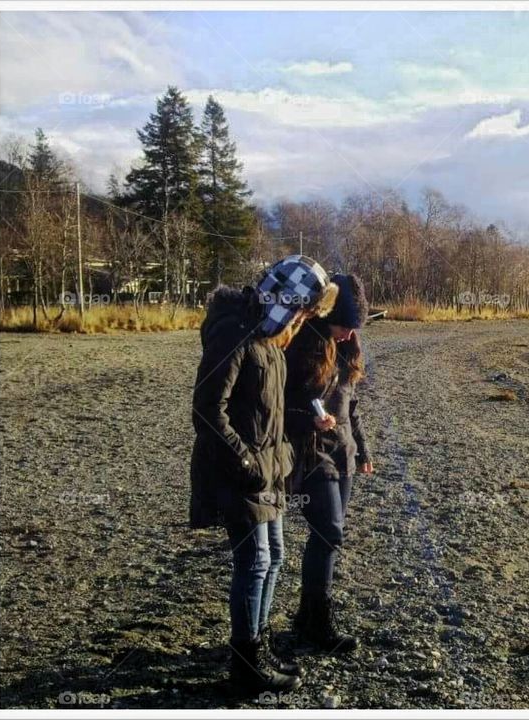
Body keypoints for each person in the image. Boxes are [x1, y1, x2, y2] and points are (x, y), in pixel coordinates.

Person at [189, 256, 338, 693]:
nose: (302, 322)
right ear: (286, 301)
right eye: (303, 311)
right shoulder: (235, 332)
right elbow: (207, 409)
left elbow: (268, 414)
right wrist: (247, 463)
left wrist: (283, 456)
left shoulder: (268, 339)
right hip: (239, 474)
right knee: (254, 562)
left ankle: (259, 645)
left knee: (274, 558)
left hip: (267, 472)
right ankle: (245, 664)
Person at [285, 273, 373, 653]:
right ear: (325, 316)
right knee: (328, 534)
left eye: (356, 329)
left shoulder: (348, 349)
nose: (350, 336)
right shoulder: (299, 347)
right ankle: (318, 625)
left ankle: (306, 618)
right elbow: (278, 408)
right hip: (311, 454)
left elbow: (350, 408)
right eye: (345, 326)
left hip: (344, 454)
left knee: (327, 539)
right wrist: (309, 420)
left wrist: (364, 449)